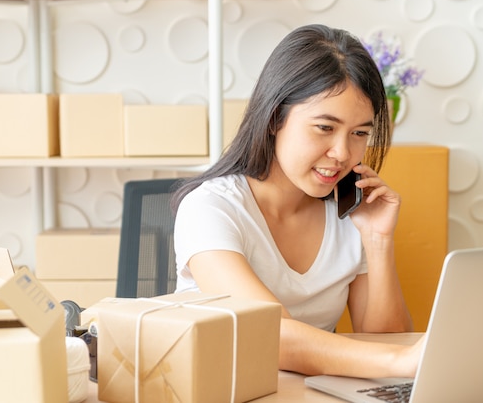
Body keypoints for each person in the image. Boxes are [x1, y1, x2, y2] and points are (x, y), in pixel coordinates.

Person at [171, 24, 424, 379]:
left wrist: (378, 240)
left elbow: (388, 344)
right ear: (275, 118)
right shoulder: (211, 209)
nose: (341, 153)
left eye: (359, 133)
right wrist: (401, 361)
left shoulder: (352, 212)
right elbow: (268, 335)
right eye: (324, 127)